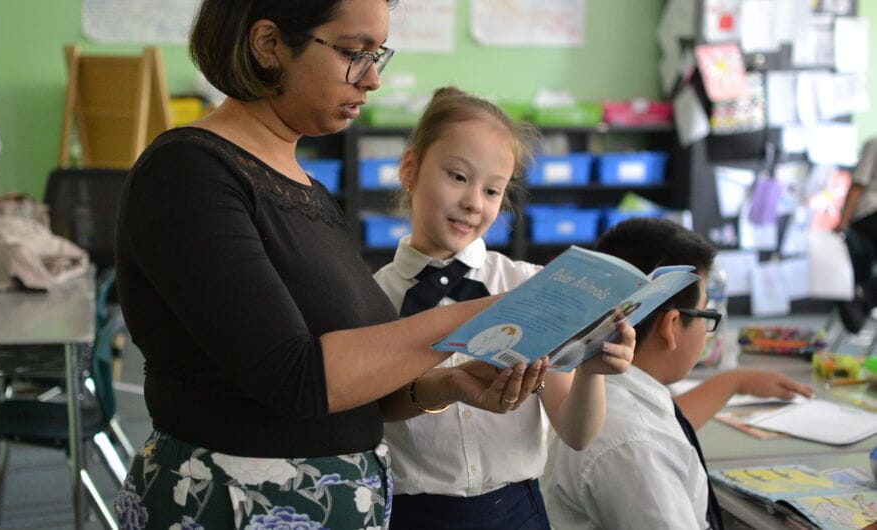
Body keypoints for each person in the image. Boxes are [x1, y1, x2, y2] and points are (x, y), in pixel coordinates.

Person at [112, 4, 545, 529]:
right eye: (353, 52)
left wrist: (445, 387)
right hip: (227, 505)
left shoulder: (309, 192)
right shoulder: (189, 172)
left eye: (377, 55)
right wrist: (474, 317)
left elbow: (363, 386)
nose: (372, 79)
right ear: (269, 43)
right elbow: (296, 378)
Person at [372, 86, 636, 530]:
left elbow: (576, 432)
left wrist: (592, 369)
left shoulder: (530, 286)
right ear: (410, 169)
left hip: (518, 512)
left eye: (492, 190)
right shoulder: (370, 298)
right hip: (412, 515)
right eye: (457, 176)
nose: (474, 202)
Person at [544, 217, 815, 530]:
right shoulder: (634, 445)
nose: (707, 330)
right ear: (671, 326)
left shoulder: (610, 396)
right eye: (706, 313)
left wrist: (735, 381)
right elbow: (643, 440)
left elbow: (662, 425)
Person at [835, 137, 877, 333]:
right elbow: (858, 185)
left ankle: (865, 296)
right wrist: (843, 222)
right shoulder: (874, 144)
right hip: (869, 213)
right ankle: (864, 296)